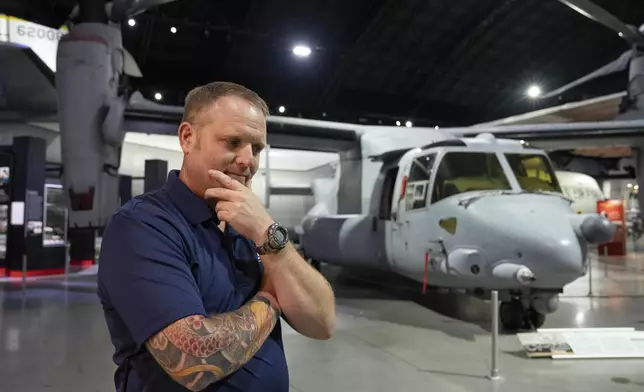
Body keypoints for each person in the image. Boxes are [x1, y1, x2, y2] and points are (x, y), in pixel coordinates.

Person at [97, 81, 336, 392]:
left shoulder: (252, 227)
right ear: (187, 137)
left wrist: (268, 235)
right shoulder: (143, 225)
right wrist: (269, 299)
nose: (248, 160)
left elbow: (322, 322)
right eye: (233, 142)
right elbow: (194, 361)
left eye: (257, 148)